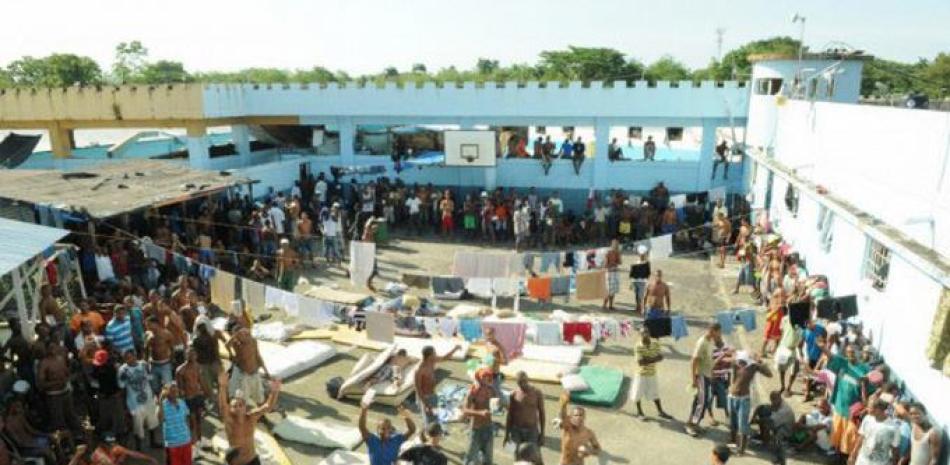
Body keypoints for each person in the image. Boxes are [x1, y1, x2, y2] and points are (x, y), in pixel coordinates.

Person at [218, 370, 282, 465]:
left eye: (241, 405)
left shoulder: (251, 417)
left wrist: (274, 391)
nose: (238, 408)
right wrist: (223, 387)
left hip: (252, 459)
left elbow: (268, 406)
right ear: (230, 409)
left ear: (245, 407)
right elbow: (223, 406)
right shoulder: (229, 420)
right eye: (235, 406)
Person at [727, 351, 772, 455]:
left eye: (743, 362)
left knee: (742, 425)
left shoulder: (753, 367)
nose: (740, 364)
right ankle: (733, 442)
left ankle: (741, 449)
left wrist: (760, 361)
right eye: (740, 361)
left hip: (744, 399)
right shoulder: (735, 364)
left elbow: (769, 374)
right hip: (731, 397)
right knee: (733, 422)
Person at [414, 344, 461, 440]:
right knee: (428, 420)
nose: (436, 354)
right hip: (425, 398)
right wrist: (426, 405)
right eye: (434, 353)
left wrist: (455, 349)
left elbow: (445, 358)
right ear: (429, 356)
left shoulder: (432, 361)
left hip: (433, 395)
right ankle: (426, 438)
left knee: (434, 417)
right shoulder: (419, 370)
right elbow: (418, 389)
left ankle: (434, 435)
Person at [117, 349, 161, 450]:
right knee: (137, 424)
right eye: (126, 358)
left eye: (130, 357)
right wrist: (125, 406)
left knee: (152, 421)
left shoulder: (143, 365)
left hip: (148, 398)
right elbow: (121, 386)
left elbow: (150, 378)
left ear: (135, 356)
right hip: (134, 402)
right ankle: (138, 447)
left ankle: (153, 442)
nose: (128, 360)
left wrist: (154, 393)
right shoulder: (123, 370)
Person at [686, 323, 722, 437]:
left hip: (707, 375)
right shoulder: (702, 343)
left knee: (701, 401)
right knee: (702, 402)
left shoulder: (710, 341)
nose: (720, 335)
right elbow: (694, 361)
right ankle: (691, 425)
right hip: (701, 376)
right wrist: (694, 379)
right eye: (718, 332)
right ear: (712, 330)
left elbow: (709, 360)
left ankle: (694, 422)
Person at [37, 340, 80, 434]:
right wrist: (56, 383)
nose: (52, 349)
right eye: (50, 348)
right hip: (54, 395)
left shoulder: (60, 359)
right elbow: (41, 384)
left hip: (65, 392)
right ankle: (64, 439)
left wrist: (71, 374)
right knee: (58, 419)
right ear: (46, 349)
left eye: (54, 347)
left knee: (71, 415)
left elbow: (67, 373)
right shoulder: (44, 363)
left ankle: (78, 434)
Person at [630, 330, 672, 419]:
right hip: (641, 374)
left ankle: (660, 412)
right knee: (637, 393)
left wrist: (647, 359)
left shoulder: (655, 344)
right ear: (640, 335)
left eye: (646, 334)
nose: (644, 336)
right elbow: (640, 362)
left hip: (652, 373)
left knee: (655, 393)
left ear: (649, 334)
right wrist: (654, 358)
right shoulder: (638, 346)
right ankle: (640, 413)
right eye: (642, 334)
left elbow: (661, 357)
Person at [226, 323, 270, 406]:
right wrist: (234, 336)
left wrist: (266, 371)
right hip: (244, 375)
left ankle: (261, 412)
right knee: (243, 400)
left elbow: (258, 356)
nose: (241, 336)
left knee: (259, 397)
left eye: (242, 333)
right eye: (239, 335)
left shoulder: (252, 341)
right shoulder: (237, 344)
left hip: (255, 373)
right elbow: (227, 345)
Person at [504, 371, 546, 456]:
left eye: (524, 381)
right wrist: (506, 434)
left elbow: (542, 413)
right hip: (516, 431)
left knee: (532, 456)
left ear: (528, 379)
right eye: (520, 382)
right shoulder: (514, 394)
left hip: (532, 431)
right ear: (517, 382)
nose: (523, 384)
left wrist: (542, 434)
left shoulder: (537, 393)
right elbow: (510, 415)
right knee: (517, 455)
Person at [177, 348, 210, 449]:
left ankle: (199, 440)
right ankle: (193, 443)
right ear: (185, 356)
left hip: (198, 396)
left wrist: (206, 393)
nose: (192, 356)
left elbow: (200, 380)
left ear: (196, 356)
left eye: (193, 354)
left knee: (199, 419)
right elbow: (180, 388)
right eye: (189, 354)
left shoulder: (197, 366)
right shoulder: (180, 370)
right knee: (192, 421)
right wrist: (182, 401)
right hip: (188, 398)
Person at [850, 399, 900, 465]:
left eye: (869, 407)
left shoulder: (894, 428)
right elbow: (861, 438)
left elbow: (895, 448)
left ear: (878, 410)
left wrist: (894, 463)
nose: (866, 409)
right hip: (862, 461)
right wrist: (853, 455)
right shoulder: (867, 419)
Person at [463, 368, 497, 465]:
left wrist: (497, 405)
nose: (485, 380)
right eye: (483, 377)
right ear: (478, 378)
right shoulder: (473, 391)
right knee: (470, 456)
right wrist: (480, 413)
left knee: (488, 457)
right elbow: (465, 410)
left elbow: (496, 403)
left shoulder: (491, 390)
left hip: (488, 427)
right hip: (476, 428)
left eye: (488, 377)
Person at [558, 391, 601, 465]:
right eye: (575, 415)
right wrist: (563, 405)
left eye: (580, 415)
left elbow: (598, 449)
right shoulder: (568, 428)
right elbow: (563, 416)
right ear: (571, 418)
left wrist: (589, 451)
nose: (578, 417)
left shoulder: (589, 433)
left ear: (584, 417)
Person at [159, 382, 192, 465]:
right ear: (166, 392)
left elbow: (186, 419)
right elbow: (161, 419)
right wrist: (160, 401)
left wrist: (190, 435)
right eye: (171, 389)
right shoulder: (163, 406)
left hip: (186, 441)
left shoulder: (182, 402)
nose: (174, 391)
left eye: (175, 388)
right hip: (172, 444)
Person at [145, 316, 175, 394]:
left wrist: (171, 361)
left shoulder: (167, 334)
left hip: (165, 364)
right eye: (147, 325)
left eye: (149, 324)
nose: (148, 327)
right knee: (154, 386)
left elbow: (172, 348)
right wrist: (146, 363)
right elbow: (146, 349)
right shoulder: (148, 335)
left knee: (168, 386)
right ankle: (159, 399)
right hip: (153, 365)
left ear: (156, 324)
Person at [776, 313, 804, 396]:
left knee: (794, 370)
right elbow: (782, 333)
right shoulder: (785, 319)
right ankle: (782, 386)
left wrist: (800, 349)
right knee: (781, 368)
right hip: (784, 347)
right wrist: (778, 346)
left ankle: (789, 388)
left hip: (795, 349)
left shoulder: (803, 321)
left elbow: (803, 335)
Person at [482, 328, 508, 396]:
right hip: (486, 374)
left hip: (495, 375)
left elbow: (505, 362)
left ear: (494, 334)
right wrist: (485, 360)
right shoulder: (487, 343)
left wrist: (495, 359)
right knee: (486, 394)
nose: (488, 336)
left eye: (490, 334)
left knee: (496, 395)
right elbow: (488, 356)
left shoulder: (499, 347)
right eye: (486, 334)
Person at [602, 240, 621, 311]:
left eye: (617, 245)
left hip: (614, 272)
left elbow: (620, 262)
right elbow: (605, 265)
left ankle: (610, 305)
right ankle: (604, 305)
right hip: (609, 273)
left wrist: (618, 256)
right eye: (616, 245)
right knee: (608, 290)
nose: (617, 247)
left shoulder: (617, 252)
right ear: (612, 245)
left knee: (613, 290)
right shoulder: (608, 252)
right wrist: (612, 264)